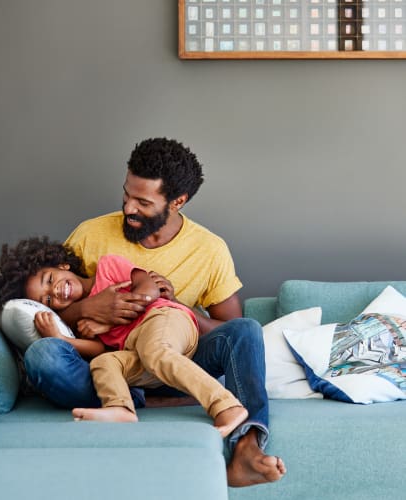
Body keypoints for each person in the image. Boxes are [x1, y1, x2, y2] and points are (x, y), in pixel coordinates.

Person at [24, 137, 286, 487]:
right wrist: (89, 308)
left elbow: (228, 330)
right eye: (126, 195)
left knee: (247, 330)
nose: (128, 208)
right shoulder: (90, 235)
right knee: (44, 357)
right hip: (119, 363)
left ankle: (247, 448)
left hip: (177, 351)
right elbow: (57, 298)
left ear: (177, 201)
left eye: (143, 202)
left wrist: (176, 307)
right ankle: (138, 401)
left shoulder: (209, 250)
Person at [0, 236, 248, 438]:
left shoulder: (108, 267)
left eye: (50, 279)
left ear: (62, 265)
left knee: (156, 351)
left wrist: (124, 304)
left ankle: (226, 406)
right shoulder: (85, 320)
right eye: (47, 299)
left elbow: (149, 287)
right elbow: (98, 350)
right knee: (104, 365)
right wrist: (60, 338)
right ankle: (122, 409)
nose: (55, 291)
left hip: (166, 319)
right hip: (137, 347)